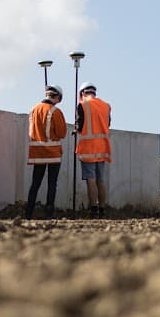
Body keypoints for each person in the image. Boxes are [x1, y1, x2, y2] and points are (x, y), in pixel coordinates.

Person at [25, 84, 67, 219]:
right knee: (51, 184)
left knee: (35, 184)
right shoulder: (55, 111)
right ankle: (49, 214)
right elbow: (62, 133)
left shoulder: (33, 110)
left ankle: (28, 214)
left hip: (37, 153)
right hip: (53, 153)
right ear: (58, 97)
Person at [75, 82, 112, 216]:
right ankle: (102, 209)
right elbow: (107, 124)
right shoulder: (106, 106)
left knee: (90, 179)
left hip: (88, 148)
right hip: (102, 147)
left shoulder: (83, 105)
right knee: (100, 180)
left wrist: (76, 128)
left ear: (82, 93)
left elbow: (79, 127)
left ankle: (93, 209)